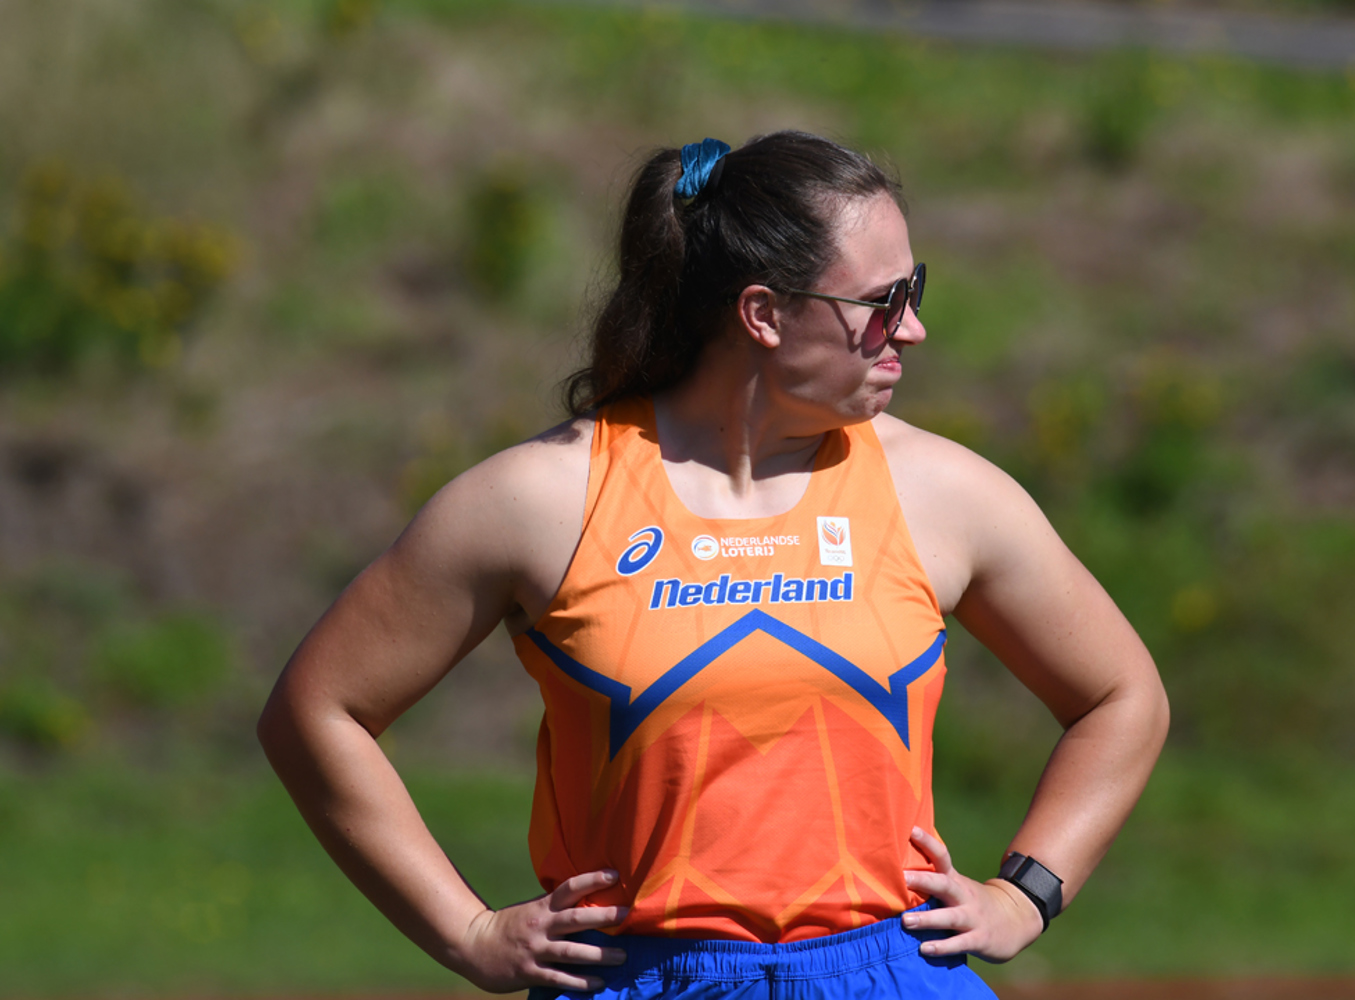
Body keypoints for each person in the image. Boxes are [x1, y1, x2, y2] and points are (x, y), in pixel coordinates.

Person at [258, 130, 1169, 1000]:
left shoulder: (944, 493)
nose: (915, 330)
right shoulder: (541, 500)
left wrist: (1025, 893)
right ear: (763, 315)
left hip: (888, 976)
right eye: (882, 302)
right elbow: (317, 711)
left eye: (914, 288)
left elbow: (1122, 696)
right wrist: (465, 931)